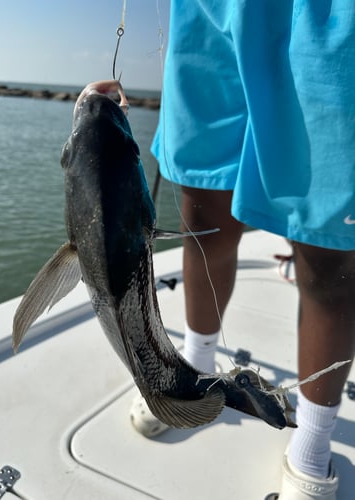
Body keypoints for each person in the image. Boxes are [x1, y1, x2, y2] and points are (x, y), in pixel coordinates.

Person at [130, 1, 355, 498]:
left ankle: (312, 442)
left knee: (327, 257)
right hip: (209, 11)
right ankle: (196, 368)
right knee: (201, 219)